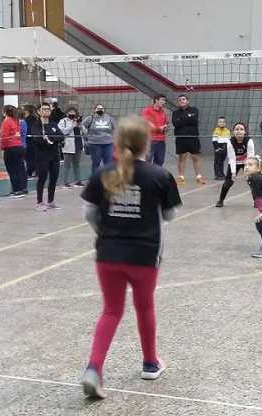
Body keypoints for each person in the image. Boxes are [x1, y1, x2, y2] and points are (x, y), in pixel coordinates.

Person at [79, 116, 182, 399]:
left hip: (108, 254)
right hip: (145, 254)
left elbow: (88, 213)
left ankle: (93, 368)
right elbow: (170, 215)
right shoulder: (159, 175)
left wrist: (107, 232)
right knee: (144, 308)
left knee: (111, 311)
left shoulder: (104, 173)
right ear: (146, 144)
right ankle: (150, 363)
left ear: (117, 142)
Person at [28, 102, 65, 210]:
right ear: (39, 111)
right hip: (42, 157)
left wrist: (50, 139)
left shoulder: (53, 124)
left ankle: (51, 201)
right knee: (42, 179)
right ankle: (39, 202)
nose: (46, 111)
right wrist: (44, 139)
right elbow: (36, 139)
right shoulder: (36, 125)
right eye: (43, 109)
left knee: (53, 179)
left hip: (54, 156)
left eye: (48, 109)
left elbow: (61, 136)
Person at [215, 122, 255, 208]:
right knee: (228, 182)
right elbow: (232, 158)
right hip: (235, 162)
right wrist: (233, 173)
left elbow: (251, 158)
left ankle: (257, 201)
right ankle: (220, 200)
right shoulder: (230, 142)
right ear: (233, 132)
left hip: (247, 162)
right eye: (236, 129)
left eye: (241, 129)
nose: (239, 131)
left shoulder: (249, 141)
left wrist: (248, 172)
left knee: (253, 181)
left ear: (245, 132)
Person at [172, 94, 205, 185]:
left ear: (187, 101)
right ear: (178, 102)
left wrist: (182, 119)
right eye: (179, 100)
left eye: (183, 99)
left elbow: (194, 120)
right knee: (181, 157)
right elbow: (175, 123)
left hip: (193, 137)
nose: (181, 101)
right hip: (180, 138)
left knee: (195, 157)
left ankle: (199, 177)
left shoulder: (194, 110)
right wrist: (188, 117)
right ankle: (181, 177)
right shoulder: (175, 113)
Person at [0, 105, 28, 197]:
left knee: (12, 169)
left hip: (10, 148)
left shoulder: (6, 121)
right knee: (20, 168)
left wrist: (2, 148)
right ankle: (23, 188)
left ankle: (17, 189)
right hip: (19, 146)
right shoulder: (16, 121)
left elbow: (4, 137)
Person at [83, 104, 116, 174]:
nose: (100, 110)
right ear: (95, 110)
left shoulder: (109, 118)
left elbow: (115, 128)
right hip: (95, 143)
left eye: (102, 108)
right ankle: (95, 180)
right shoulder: (90, 118)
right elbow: (83, 126)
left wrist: (113, 137)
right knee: (96, 162)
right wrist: (86, 136)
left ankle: (107, 180)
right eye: (98, 108)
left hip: (108, 143)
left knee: (108, 163)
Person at [59, 107, 84, 188]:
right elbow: (62, 132)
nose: (72, 114)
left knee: (76, 164)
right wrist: (72, 126)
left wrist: (80, 126)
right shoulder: (63, 121)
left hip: (78, 144)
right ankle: (65, 182)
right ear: (67, 113)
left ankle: (78, 181)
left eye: (74, 112)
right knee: (67, 165)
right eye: (70, 112)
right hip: (68, 146)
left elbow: (85, 132)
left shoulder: (77, 121)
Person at [141, 94, 169, 166]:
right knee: (147, 160)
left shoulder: (163, 112)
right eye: (162, 100)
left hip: (161, 141)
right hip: (150, 140)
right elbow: (146, 124)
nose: (164, 102)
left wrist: (166, 128)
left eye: (164, 100)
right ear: (156, 100)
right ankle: (147, 176)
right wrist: (159, 128)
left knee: (160, 161)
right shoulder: (147, 110)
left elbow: (166, 124)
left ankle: (156, 176)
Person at [22, 104, 38, 177]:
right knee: (32, 156)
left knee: (29, 157)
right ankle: (33, 170)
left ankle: (30, 171)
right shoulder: (35, 118)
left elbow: (28, 130)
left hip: (29, 141)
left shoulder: (28, 120)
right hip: (32, 141)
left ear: (27, 111)